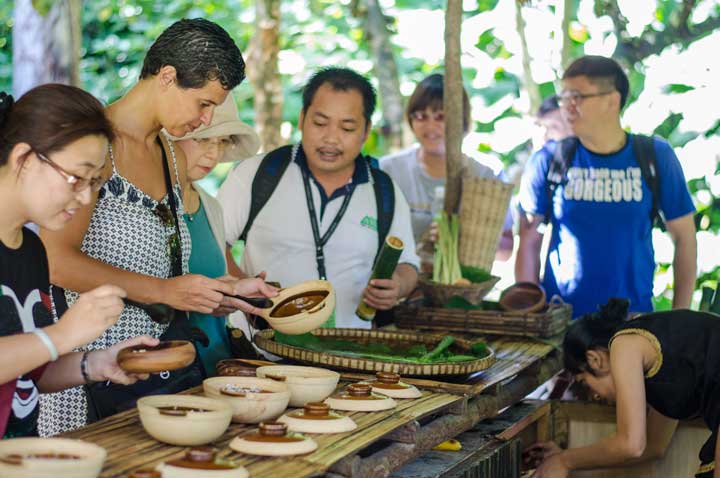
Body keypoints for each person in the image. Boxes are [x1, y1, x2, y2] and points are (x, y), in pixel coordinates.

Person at [38, 19, 275, 435]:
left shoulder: (169, 151)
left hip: (151, 376)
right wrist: (164, 292)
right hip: (87, 379)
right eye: (203, 103)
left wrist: (223, 292)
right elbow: (54, 260)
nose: (206, 120)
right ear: (167, 77)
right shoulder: (94, 144)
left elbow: (165, 276)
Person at [0, 85, 157, 438]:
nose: (85, 197)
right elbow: (49, 341)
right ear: (24, 157)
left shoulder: (30, 251)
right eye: (76, 177)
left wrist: (96, 363)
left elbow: (27, 373)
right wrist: (63, 334)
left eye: (94, 181)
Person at [218, 67, 420, 335]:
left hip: (348, 355)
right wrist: (245, 288)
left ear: (366, 130)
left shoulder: (384, 191)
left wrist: (398, 285)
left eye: (347, 127)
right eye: (320, 123)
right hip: (259, 352)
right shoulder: (258, 174)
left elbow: (408, 265)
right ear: (302, 119)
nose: (331, 138)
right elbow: (214, 244)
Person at [515, 55, 696, 318]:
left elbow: (685, 239)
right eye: (564, 98)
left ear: (612, 100)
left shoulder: (655, 156)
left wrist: (680, 320)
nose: (567, 107)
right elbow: (529, 242)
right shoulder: (548, 160)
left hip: (633, 323)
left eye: (576, 97)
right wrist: (528, 316)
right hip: (560, 323)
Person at [527, 298, 719, 478]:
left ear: (595, 359)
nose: (594, 396)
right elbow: (654, 446)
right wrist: (567, 456)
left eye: (585, 383)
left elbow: (630, 445)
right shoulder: (664, 364)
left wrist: (565, 461)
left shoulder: (624, 344)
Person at [169, 95, 262, 374]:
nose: (213, 153)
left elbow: (209, 289)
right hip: (163, 374)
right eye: (203, 139)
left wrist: (238, 292)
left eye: (221, 142)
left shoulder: (212, 207)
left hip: (215, 367)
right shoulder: (145, 205)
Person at [380, 73, 514, 262]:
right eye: (421, 116)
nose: (430, 125)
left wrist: (463, 238)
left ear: (463, 120)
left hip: (463, 287)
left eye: (441, 117)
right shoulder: (389, 170)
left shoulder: (485, 176)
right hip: (400, 287)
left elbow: (506, 250)